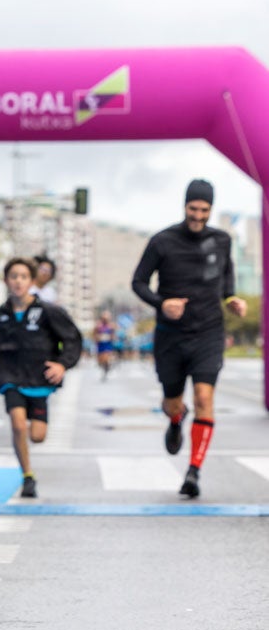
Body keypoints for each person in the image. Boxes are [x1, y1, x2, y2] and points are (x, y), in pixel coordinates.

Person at [130, 178, 247, 498]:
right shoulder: (162, 241)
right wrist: (161, 304)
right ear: (185, 206)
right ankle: (175, 419)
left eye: (204, 210)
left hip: (209, 332)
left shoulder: (222, 240)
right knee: (172, 403)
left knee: (204, 399)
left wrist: (232, 299)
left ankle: (194, 470)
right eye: (193, 209)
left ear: (211, 210)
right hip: (171, 336)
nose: (198, 216)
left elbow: (226, 279)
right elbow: (138, 282)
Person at [0, 257, 83, 498]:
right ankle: (27, 475)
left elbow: (72, 338)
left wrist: (62, 364)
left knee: (37, 436)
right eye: (13, 277)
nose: (18, 281)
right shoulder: (1, 315)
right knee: (18, 424)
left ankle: (30, 447)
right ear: (6, 281)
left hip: (39, 380)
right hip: (10, 377)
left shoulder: (48, 311)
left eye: (23, 277)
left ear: (31, 281)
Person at [94, 311, 117, 380]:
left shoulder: (111, 326)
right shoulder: (98, 326)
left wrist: (111, 338)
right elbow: (95, 334)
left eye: (107, 319)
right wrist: (98, 338)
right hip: (101, 345)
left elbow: (113, 335)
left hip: (108, 345)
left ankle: (107, 366)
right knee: (100, 361)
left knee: (106, 357)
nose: (105, 320)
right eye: (104, 318)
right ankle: (105, 367)